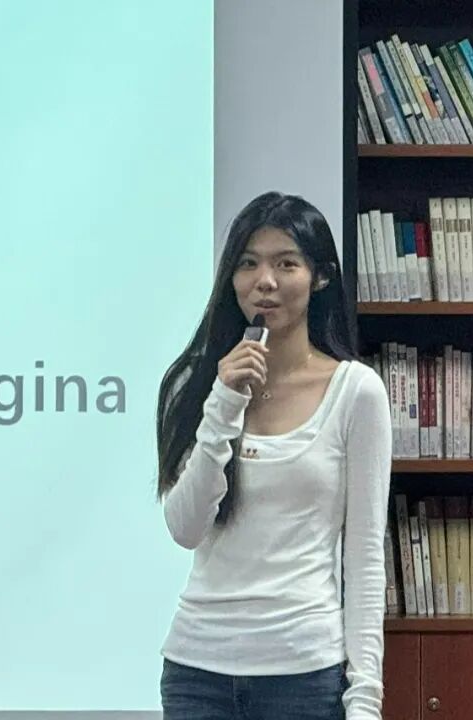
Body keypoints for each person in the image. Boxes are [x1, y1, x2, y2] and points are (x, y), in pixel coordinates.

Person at [154, 191, 392, 720]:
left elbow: (364, 559)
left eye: (286, 263)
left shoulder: (356, 392)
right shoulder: (196, 383)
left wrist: (365, 699)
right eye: (248, 263)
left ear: (320, 276)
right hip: (196, 672)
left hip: (303, 675)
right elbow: (185, 527)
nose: (265, 281)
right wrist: (223, 402)